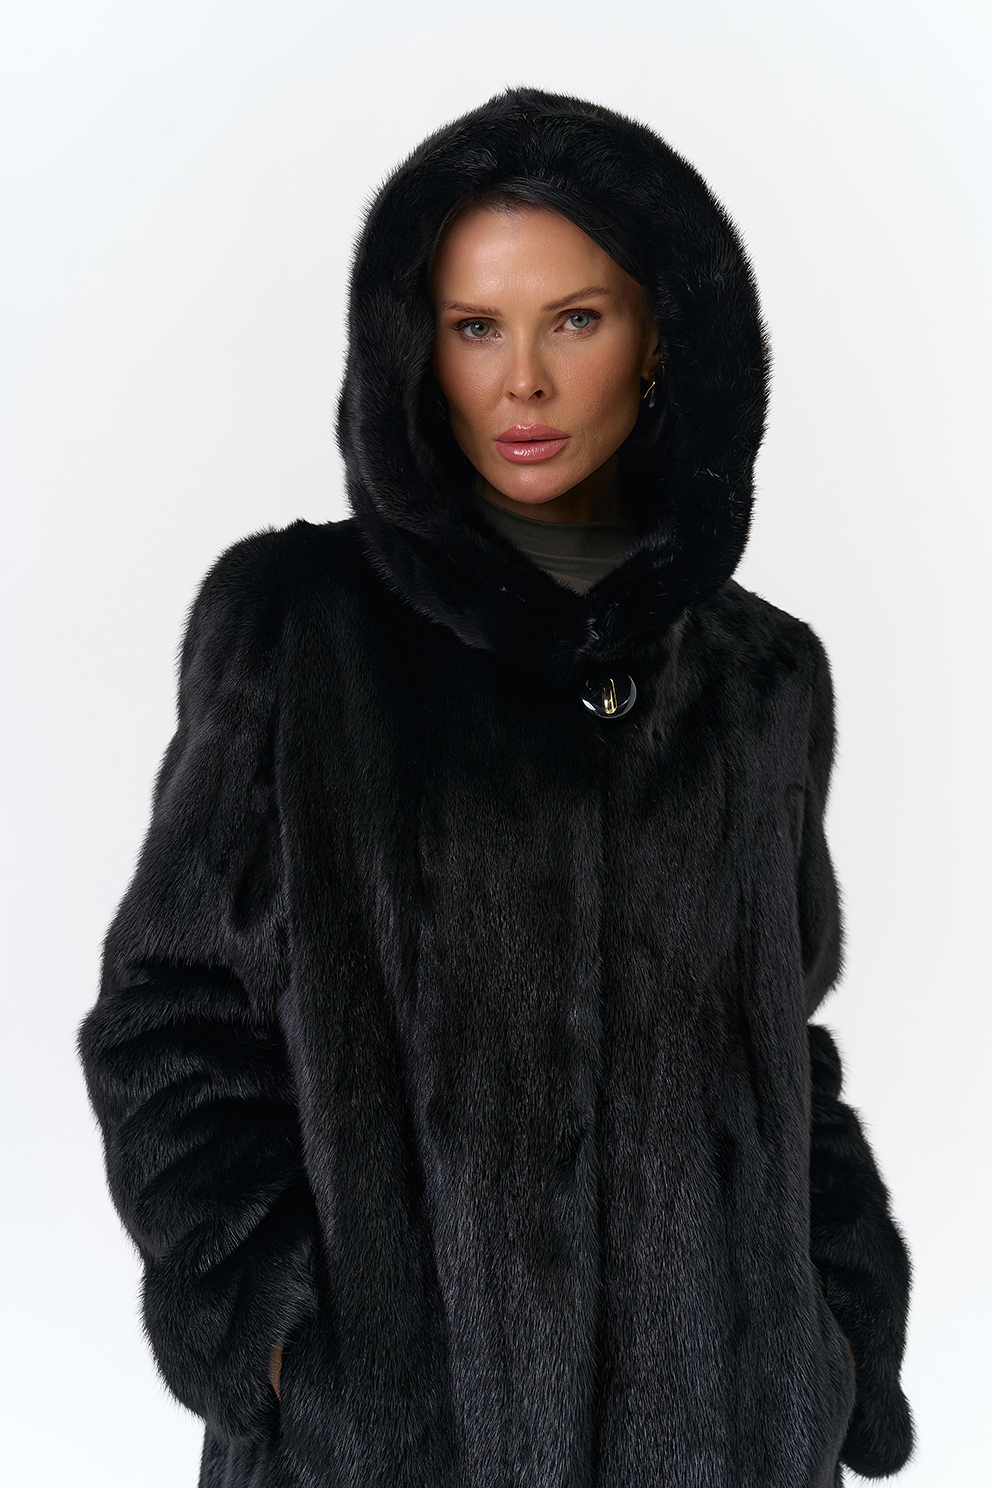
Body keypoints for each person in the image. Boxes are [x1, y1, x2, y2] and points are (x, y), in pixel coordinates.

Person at [77, 88, 913, 1488]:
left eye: (574, 320)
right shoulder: (302, 632)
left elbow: (784, 1049)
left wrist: (836, 1343)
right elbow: (169, 1019)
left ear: (660, 338)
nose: (521, 381)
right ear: (418, 346)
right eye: (476, 326)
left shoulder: (763, 677)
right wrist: (283, 1343)